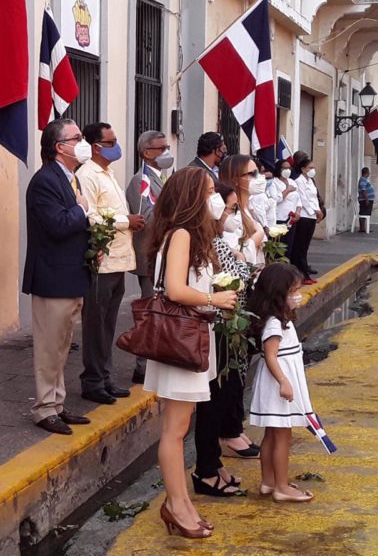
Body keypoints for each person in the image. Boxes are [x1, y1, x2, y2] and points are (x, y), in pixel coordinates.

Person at [145, 167, 237, 538]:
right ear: (191, 197)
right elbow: (174, 290)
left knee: (180, 427)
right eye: (209, 190)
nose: (214, 197)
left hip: (193, 337)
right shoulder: (181, 234)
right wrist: (215, 297)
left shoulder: (190, 236)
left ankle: (181, 502)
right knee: (175, 429)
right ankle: (176, 505)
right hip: (182, 341)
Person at [23, 118, 93, 435]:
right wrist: (81, 210)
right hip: (53, 278)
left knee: (62, 346)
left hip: (71, 275)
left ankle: (57, 404)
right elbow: (58, 225)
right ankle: (43, 408)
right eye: (76, 137)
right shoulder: (45, 181)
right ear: (59, 147)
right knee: (49, 348)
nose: (82, 141)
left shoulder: (69, 178)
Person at [76, 122, 144, 405]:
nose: (117, 145)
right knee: (95, 324)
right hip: (102, 262)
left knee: (108, 323)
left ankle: (105, 377)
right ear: (96, 146)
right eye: (111, 141)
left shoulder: (108, 172)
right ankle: (92, 380)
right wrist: (125, 221)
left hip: (119, 259)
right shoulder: (87, 175)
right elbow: (89, 215)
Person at [192, 182, 252, 498]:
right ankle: (206, 469)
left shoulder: (211, 238)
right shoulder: (192, 239)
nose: (218, 203)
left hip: (220, 326)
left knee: (216, 400)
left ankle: (212, 465)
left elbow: (241, 273)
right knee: (209, 404)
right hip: (209, 326)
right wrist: (216, 300)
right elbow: (236, 276)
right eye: (211, 195)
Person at [248, 263, 316, 502]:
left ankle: (269, 481)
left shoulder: (278, 320)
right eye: (292, 291)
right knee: (283, 437)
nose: (297, 296)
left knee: (271, 435)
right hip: (279, 386)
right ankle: (282, 486)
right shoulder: (274, 324)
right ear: (278, 294)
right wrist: (284, 383)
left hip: (277, 384)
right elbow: (270, 356)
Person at [217, 155, 264, 458]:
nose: (257, 176)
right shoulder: (227, 215)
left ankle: (236, 425)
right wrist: (254, 242)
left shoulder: (246, 209)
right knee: (231, 367)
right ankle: (229, 430)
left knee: (242, 365)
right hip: (231, 298)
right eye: (251, 173)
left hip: (248, 293)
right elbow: (233, 260)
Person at [125, 130, 173, 382]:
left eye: (167, 147)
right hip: (150, 256)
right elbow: (146, 218)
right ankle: (142, 366)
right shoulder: (140, 181)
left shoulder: (161, 177)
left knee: (160, 310)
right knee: (149, 311)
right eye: (161, 148)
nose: (167, 152)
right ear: (146, 153)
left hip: (164, 255)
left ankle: (155, 360)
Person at [289, 153, 322, 285]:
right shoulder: (298, 181)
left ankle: (304, 273)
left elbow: (314, 198)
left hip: (312, 217)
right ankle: (302, 275)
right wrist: (315, 211)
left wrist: (318, 211)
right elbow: (303, 199)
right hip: (304, 216)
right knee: (300, 247)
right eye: (310, 167)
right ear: (303, 169)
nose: (313, 170)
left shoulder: (310, 181)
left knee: (305, 247)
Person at [273, 159, 300, 254]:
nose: (287, 170)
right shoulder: (274, 182)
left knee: (289, 245)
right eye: (285, 168)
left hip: (291, 219)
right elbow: (276, 199)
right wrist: (287, 190)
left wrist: (298, 212)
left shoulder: (292, 182)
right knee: (279, 246)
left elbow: (298, 199)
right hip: (279, 218)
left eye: (289, 168)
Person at [357, 166, 375, 232]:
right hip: (364, 200)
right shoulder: (363, 180)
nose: (369, 173)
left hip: (367, 199)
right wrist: (367, 200)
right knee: (363, 214)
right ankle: (362, 228)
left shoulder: (365, 179)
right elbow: (363, 190)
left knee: (366, 214)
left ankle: (365, 228)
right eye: (368, 172)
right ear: (366, 173)